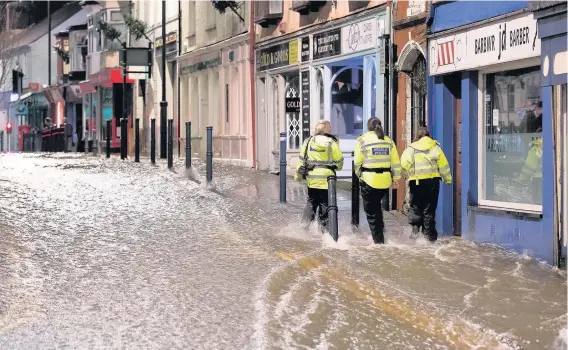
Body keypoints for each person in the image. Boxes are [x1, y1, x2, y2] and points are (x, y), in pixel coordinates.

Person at [354, 117, 401, 244]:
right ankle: (381, 235)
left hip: (369, 180)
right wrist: (396, 178)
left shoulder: (362, 140)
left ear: (368, 127)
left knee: (372, 212)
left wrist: (359, 174)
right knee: (377, 209)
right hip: (385, 181)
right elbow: (395, 162)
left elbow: (357, 161)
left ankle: (379, 242)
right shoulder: (388, 141)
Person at [400, 127, 452, 242]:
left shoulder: (411, 149)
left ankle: (415, 232)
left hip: (416, 183)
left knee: (416, 207)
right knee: (429, 210)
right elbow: (444, 165)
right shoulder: (436, 148)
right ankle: (429, 238)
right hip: (432, 183)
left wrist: (406, 175)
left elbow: (403, 164)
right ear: (428, 136)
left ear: (417, 136)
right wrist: (447, 179)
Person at [295, 120, 344, 232]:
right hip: (328, 181)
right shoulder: (332, 142)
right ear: (328, 129)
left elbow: (301, 160)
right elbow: (339, 162)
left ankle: (304, 230)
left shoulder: (308, 141)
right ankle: (324, 232)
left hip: (312, 180)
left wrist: (297, 176)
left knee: (311, 203)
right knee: (325, 206)